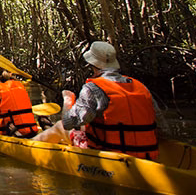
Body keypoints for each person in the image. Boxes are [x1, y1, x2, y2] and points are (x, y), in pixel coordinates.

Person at [33, 41, 163, 161]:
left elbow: (68, 122)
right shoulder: (140, 87)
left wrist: (67, 100)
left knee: (59, 126)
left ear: (93, 65)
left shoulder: (93, 88)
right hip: (147, 154)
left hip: (110, 155)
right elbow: (162, 128)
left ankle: (29, 145)